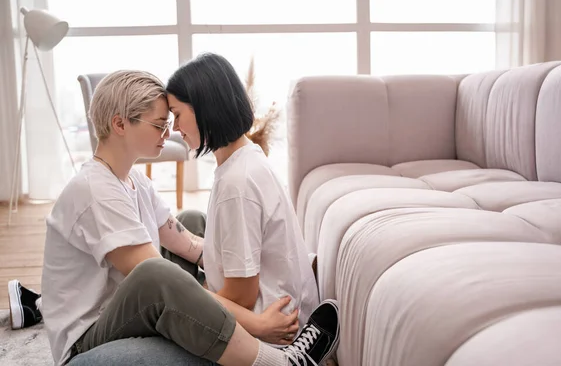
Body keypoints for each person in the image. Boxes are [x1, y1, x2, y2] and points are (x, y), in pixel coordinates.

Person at [8, 70, 339, 366]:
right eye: (159, 124)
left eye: (171, 122)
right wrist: (254, 324)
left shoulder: (134, 181)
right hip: (89, 341)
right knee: (157, 275)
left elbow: (185, 241)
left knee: (193, 221)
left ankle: (221, 329)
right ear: (120, 124)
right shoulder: (93, 190)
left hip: (125, 312)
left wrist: (267, 258)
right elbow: (155, 279)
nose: (170, 132)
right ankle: (279, 363)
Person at [165, 53, 320, 335]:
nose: (174, 127)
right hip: (279, 311)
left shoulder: (237, 184)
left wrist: (189, 298)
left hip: (268, 329)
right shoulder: (247, 158)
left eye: (176, 115)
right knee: (185, 232)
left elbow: (243, 296)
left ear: (203, 108)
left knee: (163, 302)